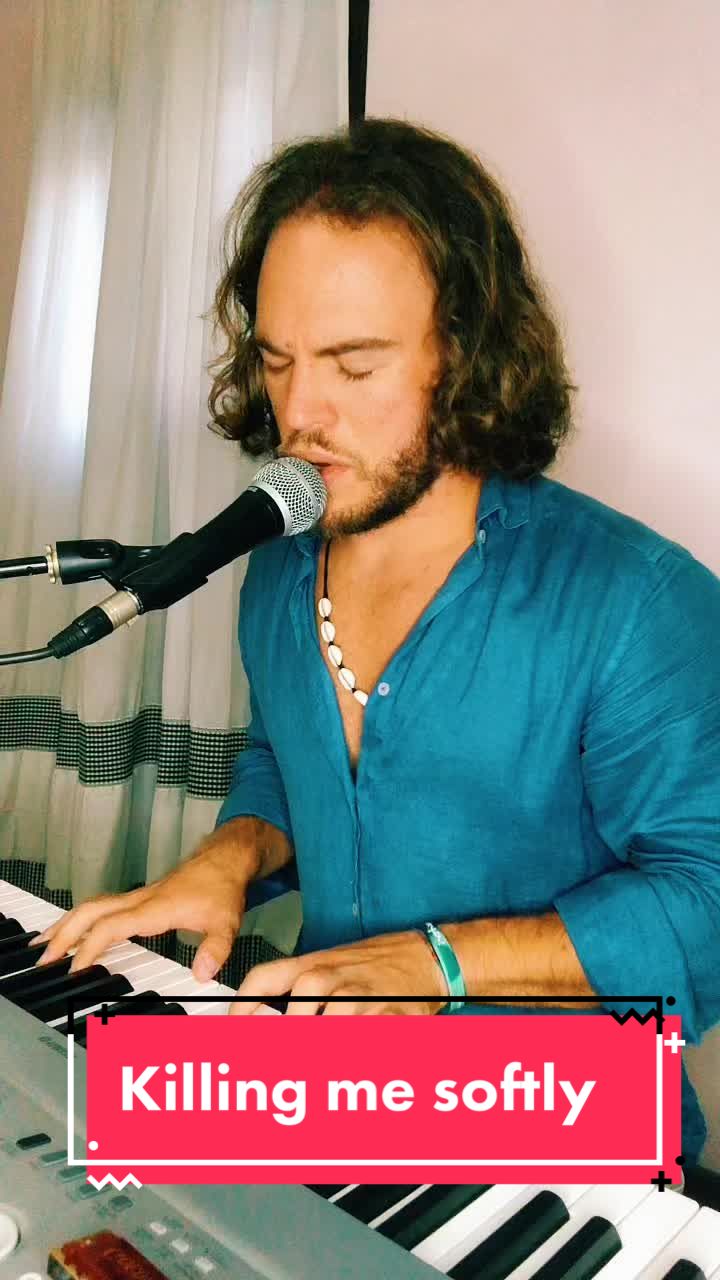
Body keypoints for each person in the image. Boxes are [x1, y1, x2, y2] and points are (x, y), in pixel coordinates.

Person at [36, 118, 720, 1164]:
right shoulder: (278, 569)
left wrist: (436, 963)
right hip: (336, 1099)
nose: (301, 414)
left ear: (467, 353)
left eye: (354, 366)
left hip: (571, 1146)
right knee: (67, 1144)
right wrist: (231, 855)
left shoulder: (637, 601)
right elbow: (284, 758)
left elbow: (707, 901)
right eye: (277, 362)